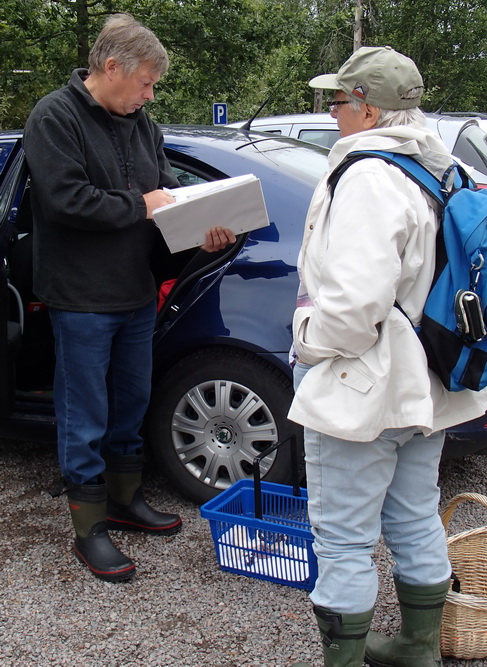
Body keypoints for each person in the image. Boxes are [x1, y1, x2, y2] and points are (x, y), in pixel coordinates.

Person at [288, 46, 487, 667]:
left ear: (369, 108)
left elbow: (354, 307)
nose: (331, 111)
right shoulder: (442, 169)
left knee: (344, 540)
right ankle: (417, 648)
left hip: (366, 385)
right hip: (431, 387)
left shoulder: (370, 178)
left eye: (338, 99)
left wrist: (305, 341)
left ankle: (346, 659)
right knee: (413, 518)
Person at [23, 13, 235, 583]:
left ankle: (124, 499)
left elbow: (165, 189)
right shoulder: (55, 116)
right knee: (84, 412)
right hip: (81, 296)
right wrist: (143, 204)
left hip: (137, 292)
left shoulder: (141, 122)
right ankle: (89, 527)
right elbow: (68, 200)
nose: (149, 94)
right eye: (144, 83)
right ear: (109, 67)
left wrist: (205, 225)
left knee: (131, 401)